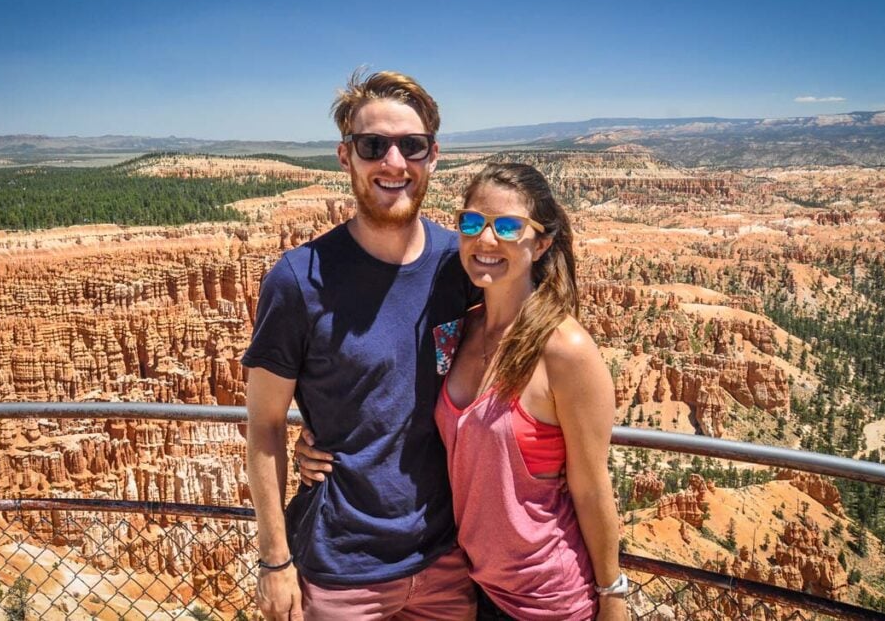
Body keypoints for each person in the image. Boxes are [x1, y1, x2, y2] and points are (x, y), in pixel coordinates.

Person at [243, 69, 477, 621]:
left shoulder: (461, 263)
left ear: (433, 156)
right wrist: (274, 563)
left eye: (411, 146)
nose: (393, 163)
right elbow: (265, 425)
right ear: (345, 156)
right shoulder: (298, 280)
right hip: (342, 571)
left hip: (447, 560)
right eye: (374, 145)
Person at [437, 162, 627, 620]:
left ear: (541, 243)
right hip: (470, 585)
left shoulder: (566, 350)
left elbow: (591, 485)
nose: (485, 240)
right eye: (472, 222)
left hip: (547, 600)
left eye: (507, 226)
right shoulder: (459, 329)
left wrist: (613, 596)